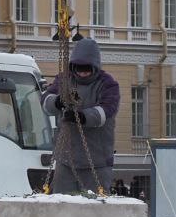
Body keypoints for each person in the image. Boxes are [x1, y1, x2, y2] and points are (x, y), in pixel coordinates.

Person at [42, 37, 120, 195]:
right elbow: (45, 100)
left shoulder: (108, 84)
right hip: (66, 160)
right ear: (73, 66)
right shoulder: (64, 80)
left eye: (87, 69)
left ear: (95, 67)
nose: (83, 73)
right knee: (61, 203)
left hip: (97, 162)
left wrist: (82, 117)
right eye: (79, 68)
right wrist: (57, 102)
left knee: (95, 206)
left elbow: (107, 110)